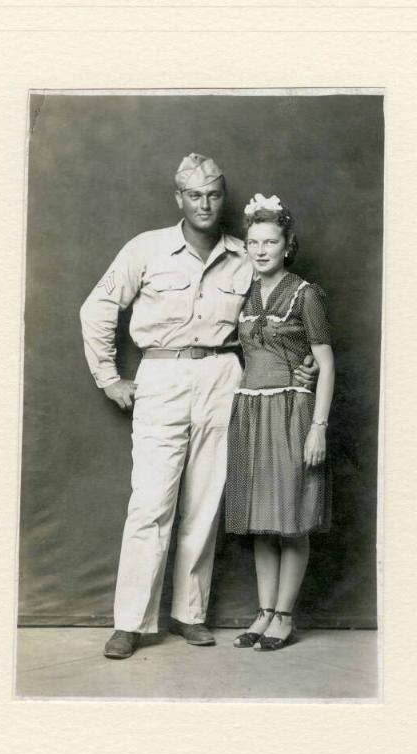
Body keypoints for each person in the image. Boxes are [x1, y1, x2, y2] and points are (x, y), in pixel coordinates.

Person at [80, 157, 318, 660]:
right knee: (150, 502)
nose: (205, 204)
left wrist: (304, 368)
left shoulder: (245, 254)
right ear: (179, 199)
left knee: (205, 502)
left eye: (213, 194)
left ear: (223, 196)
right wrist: (108, 377)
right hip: (161, 375)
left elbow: (274, 322)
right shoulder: (146, 248)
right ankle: (131, 622)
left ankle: (190, 614)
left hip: (223, 376)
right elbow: (97, 307)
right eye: (194, 195)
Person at [226, 193, 335, 651]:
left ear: (287, 244)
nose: (262, 249)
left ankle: (285, 615)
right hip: (251, 412)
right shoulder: (245, 294)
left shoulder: (305, 294)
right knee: (261, 522)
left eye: (271, 241)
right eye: (253, 242)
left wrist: (319, 426)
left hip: (292, 414)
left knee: (291, 517)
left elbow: (326, 364)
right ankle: (264, 611)